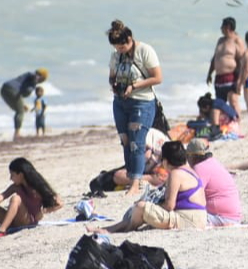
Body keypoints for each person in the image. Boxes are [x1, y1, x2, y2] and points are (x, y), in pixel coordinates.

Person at [89, 141, 207, 232]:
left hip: (187, 220)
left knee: (140, 207)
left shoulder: (175, 174)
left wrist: (153, 206)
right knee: (143, 211)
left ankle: (122, 230)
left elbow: (169, 205)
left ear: (166, 161)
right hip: (198, 218)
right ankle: (109, 229)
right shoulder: (191, 171)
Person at [108, 19, 163, 199]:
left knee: (136, 143)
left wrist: (134, 86)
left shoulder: (145, 51)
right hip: (120, 102)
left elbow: (158, 78)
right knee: (125, 142)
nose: (120, 50)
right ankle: (133, 179)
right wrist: (115, 85)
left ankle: (135, 184)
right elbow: (112, 76)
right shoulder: (115, 55)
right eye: (116, 47)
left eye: (122, 47)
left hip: (142, 102)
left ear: (130, 39)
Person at [186, 138, 242, 227]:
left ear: (192, 156)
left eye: (187, 156)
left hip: (222, 218)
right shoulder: (213, 163)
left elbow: (191, 194)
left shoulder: (200, 168)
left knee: (185, 216)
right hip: (233, 217)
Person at [206, 16, 245, 113]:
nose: (220, 28)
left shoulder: (237, 40)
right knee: (220, 103)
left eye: (222, 26)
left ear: (228, 27)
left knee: (233, 102)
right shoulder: (220, 40)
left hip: (231, 76)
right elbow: (215, 58)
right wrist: (209, 73)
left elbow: (242, 61)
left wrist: (239, 80)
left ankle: (237, 121)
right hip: (219, 77)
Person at [0, 68, 48, 141]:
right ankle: (17, 134)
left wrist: (23, 104)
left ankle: (15, 133)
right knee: (20, 111)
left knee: (19, 109)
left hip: (4, 89)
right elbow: (32, 78)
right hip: (12, 90)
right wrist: (36, 79)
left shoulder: (28, 77)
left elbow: (20, 92)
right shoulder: (33, 77)